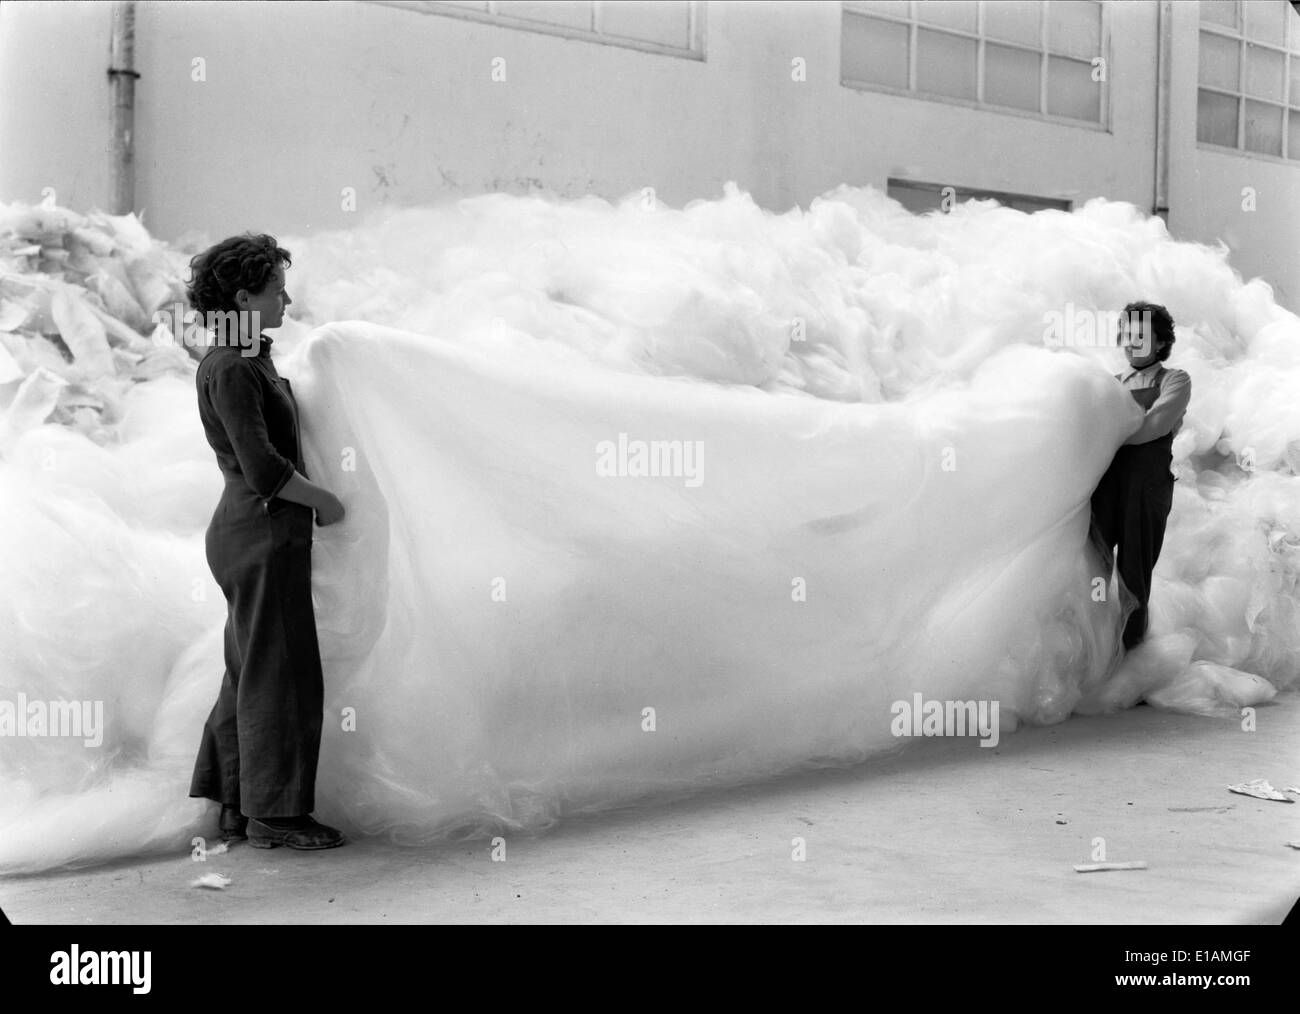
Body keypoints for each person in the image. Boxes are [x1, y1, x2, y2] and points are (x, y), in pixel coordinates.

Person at [185, 233, 348, 850]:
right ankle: (276, 815)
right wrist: (326, 501)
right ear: (243, 295)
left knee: (248, 672)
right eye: (277, 289)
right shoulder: (231, 367)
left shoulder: (246, 358)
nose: (288, 298)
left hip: (252, 533)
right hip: (261, 534)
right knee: (283, 677)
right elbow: (263, 468)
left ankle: (234, 801)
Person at [1090, 301, 1191, 650]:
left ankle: (1129, 662)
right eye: (1126, 334)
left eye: (1140, 335)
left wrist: (1106, 435)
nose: (1130, 342)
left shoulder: (1174, 379)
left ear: (1161, 342)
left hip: (1146, 488)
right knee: (1091, 569)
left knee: (1133, 576)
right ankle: (1092, 658)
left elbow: (1155, 426)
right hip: (1104, 486)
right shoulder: (1111, 383)